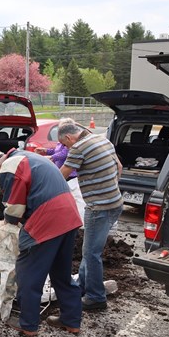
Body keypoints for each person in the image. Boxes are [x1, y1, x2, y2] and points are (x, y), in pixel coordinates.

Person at [0, 150, 82, 337]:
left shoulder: (9, 166)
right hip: (69, 215)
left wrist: (9, 221)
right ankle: (71, 321)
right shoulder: (29, 156)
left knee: (27, 272)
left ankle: (28, 325)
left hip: (48, 218)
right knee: (62, 273)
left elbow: (15, 208)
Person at [57, 122, 123, 311]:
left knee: (91, 253)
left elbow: (61, 176)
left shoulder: (78, 148)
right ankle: (83, 286)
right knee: (91, 250)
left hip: (98, 208)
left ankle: (96, 298)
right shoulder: (102, 139)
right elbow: (119, 167)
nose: (66, 148)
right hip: (116, 203)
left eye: (65, 145)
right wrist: (109, 188)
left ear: (69, 138)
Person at [34, 118, 85, 222]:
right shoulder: (62, 141)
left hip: (71, 175)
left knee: (71, 196)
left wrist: (52, 158)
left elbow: (64, 153)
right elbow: (56, 151)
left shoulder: (70, 144)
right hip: (61, 172)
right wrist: (46, 151)